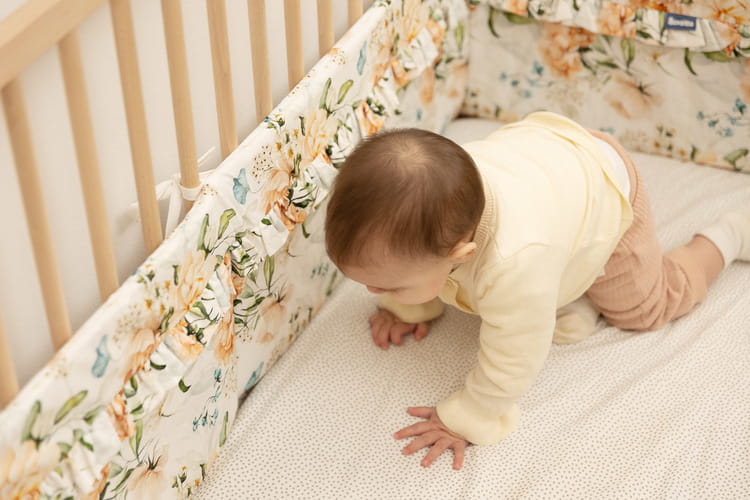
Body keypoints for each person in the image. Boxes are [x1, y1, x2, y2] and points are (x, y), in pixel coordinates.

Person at [324, 111, 750, 470]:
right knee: (506, 278)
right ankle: (569, 289)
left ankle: (730, 235)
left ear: (461, 253)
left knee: (646, 310)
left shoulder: (514, 263)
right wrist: (402, 305)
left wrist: (468, 416)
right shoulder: (440, 193)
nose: (371, 290)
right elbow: (410, 258)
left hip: (604, 183)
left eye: (389, 286)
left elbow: (514, 357)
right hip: (543, 155)